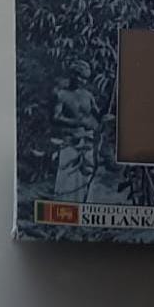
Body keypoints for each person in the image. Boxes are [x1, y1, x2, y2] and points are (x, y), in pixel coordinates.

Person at [52, 60, 99, 202]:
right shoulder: (62, 94)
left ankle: (85, 203)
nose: (82, 81)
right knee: (67, 175)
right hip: (69, 141)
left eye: (85, 78)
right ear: (73, 75)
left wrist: (105, 117)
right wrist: (76, 122)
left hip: (87, 141)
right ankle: (64, 204)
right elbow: (56, 117)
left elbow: (98, 114)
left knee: (86, 175)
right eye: (80, 77)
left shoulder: (88, 95)